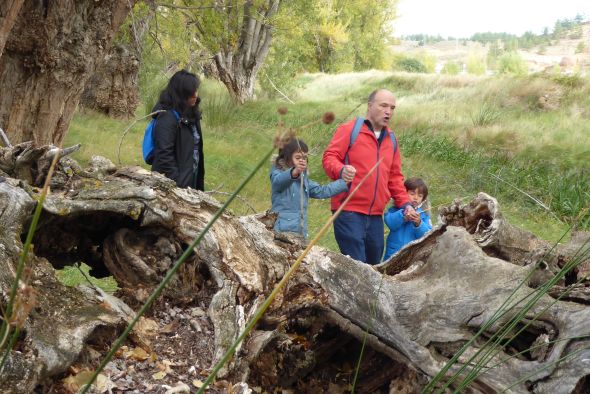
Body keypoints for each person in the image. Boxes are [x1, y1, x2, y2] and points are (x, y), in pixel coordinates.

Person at [322, 88, 416, 264]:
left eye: (392, 108)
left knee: (373, 264)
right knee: (357, 266)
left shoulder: (392, 139)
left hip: (375, 216)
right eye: (384, 106)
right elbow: (329, 158)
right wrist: (341, 170)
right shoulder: (350, 130)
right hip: (348, 210)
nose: (388, 111)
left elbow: (395, 177)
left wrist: (406, 204)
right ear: (370, 106)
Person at [271, 138, 349, 239]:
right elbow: (278, 182)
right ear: (286, 157)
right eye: (298, 157)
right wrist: (294, 172)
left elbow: (321, 191)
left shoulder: (303, 179)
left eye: (304, 158)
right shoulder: (278, 173)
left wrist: (343, 182)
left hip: (300, 231)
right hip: (282, 231)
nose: (302, 161)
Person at [151, 70, 205, 190]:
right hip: (174, 183)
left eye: (196, 90)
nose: (196, 95)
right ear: (181, 93)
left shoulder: (192, 113)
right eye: (191, 92)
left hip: (191, 175)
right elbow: (164, 155)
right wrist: (178, 183)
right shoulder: (167, 117)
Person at [383, 178, 432, 260]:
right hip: (393, 253)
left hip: (412, 256)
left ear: (423, 199)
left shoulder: (424, 215)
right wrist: (403, 216)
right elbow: (390, 223)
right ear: (404, 194)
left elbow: (427, 235)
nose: (416, 198)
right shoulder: (395, 210)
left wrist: (419, 223)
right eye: (412, 194)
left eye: (420, 196)